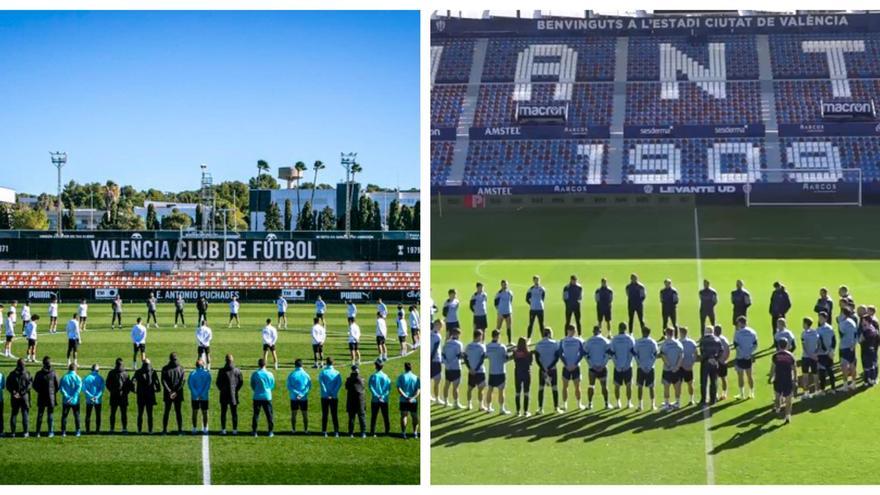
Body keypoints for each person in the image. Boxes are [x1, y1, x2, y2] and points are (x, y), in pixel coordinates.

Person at [584, 325, 612, 410]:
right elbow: (608, 355)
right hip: (602, 368)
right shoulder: (605, 341)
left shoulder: (588, 341)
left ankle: (589, 404)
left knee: (591, 385)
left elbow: (585, 355)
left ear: (593, 331)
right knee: (604, 387)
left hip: (592, 368)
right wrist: (603, 365)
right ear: (600, 331)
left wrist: (591, 365)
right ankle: (606, 404)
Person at [535, 327, 561, 414]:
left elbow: (537, 359)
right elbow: (557, 358)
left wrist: (543, 368)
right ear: (549, 334)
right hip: (552, 369)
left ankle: (540, 408)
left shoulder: (538, 344)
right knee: (554, 388)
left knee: (541, 388)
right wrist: (550, 367)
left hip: (542, 370)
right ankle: (556, 408)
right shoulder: (555, 344)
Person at [215, 354, 243, 435]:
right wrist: (236, 390)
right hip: (233, 394)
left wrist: (222, 390)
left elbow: (218, 383)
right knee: (234, 413)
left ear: (225, 360)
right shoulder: (237, 370)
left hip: (224, 394)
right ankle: (234, 430)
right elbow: (240, 382)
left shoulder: (221, 370)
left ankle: (223, 429)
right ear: (232, 360)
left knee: (223, 413)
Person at [559, 324, 585, 410]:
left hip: (568, 367)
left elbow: (560, 354)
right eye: (573, 330)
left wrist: (566, 364)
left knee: (568, 386)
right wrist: (575, 364)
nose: (574, 332)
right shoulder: (578, 341)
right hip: (574, 367)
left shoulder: (563, 341)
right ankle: (577, 404)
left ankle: (566, 404)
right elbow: (581, 354)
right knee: (575, 386)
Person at [485, 329, 511, 414]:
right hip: (500, 371)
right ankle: (501, 409)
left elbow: (487, 356)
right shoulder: (502, 347)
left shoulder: (488, 346)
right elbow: (505, 358)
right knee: (501, 391)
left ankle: (489, 408)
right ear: (498, 336)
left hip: (492, 371)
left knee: (490, 390)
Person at [610, 322, 635, 408]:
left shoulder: (614, 339)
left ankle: (618, 403)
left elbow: (612, 354)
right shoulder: (630, 339)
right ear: (626, 328)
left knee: (617, 386)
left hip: (617, 366)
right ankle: (628, 403)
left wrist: (616, 364)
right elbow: (632, 354)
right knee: (629, 385)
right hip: (628, 367)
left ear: (619, 328)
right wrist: (627, 365)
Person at [733, 316, 759, 399]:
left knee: (740, 376)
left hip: (740, 357)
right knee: (749, 375)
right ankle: (752, 393)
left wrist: (742, 352)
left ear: (740, 323)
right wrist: (749, 352)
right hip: (748, 357)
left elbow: (736, 345)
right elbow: (755, 345)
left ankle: (742, 394)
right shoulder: (752, 332)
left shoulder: (737, 333)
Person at [772, 339, 797, 424]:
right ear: (787, 345)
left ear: (778, 346)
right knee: (788, 399)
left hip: (778, 379)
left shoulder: (775, 355)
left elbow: (773, 368)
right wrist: (795, 379)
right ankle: (787, 416)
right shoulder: (791, 356)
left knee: (777, 396)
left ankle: (778, 409)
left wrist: (771, 377)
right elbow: (794, 368)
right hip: (788, 379)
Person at [33, 356, 59, 437]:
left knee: (40, 414)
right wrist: (53, 392)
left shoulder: (39, 373)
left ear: (43, 364)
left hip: (41, 396)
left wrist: (40, 391)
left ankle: (38, 432)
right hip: (51, 397)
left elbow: (34, 385)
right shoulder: (53, 373)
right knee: (50, 415)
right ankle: (50, 432)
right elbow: (57, 385)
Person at [634, 327, 659, 411]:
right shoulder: (652, 342)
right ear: (649, 333)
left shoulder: (638, 342)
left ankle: (640, 406)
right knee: (651, 387)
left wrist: (639, 364)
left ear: (642, 332)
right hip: (650, 368)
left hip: (640, 368)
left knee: (640, 387)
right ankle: (652, 405)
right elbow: (655, 355)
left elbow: (635, 354)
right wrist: (650, 365)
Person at [697, 326, 723, 406]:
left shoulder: (703, 340)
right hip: (714, 363)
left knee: (704, 382)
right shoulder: (718, 340)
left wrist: (707, 358)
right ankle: (713, 399)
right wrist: (715, 359)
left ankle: (703, 399)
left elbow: (703, 352)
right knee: (714, 381)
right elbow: (721, 351)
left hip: (705, 363)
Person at [6, 359, 32, 437]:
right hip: (24, 397)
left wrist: (14, 392)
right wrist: (22, 393)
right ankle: (25, 432)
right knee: (25, 414)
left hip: (15, 397)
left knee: (14, 414)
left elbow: (8, 385)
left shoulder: (12, 374)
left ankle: (13, 433)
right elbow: (29, 385)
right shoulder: (27, 374)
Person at [161, 352, 186, 434]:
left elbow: (163, 382)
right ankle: (180, 430)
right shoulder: (181, 368)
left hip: (168, 394)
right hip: (178, 394)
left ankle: (164, 430)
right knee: (178, 412)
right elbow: (182, 382)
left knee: (166, 412)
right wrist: (175, 392)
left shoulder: (165, 368)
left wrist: (170, 391)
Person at [106, 358, 133, 433]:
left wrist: (111, 391)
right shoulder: (126, 374)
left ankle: (112, 429)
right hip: (123, 396)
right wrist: (126, 393)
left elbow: (107, 384)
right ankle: (124, 429)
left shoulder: (111, 373)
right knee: (124, 414)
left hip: (114, 395)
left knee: (113, 413)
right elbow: (129, 386)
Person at [659, 328, 684, 410]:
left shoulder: (664, 344)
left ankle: (666, 404)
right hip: (676, 370)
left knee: (666, 386)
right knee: (677, 386)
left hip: (667, 370)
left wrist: (669, 366)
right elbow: (681, 356)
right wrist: (676, 367)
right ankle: (677, 403)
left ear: (666, 333)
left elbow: (663, 356)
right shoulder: (678, 343)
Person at [134, 358, 160, 434]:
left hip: (141, 395)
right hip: (150, 395)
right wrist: (157, 389)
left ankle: (139, 430)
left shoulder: (138, 371)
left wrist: (134, 390)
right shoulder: (152, 372)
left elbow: (133, 381)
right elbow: (157, 382)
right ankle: (150, 430)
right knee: (150, 414)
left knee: (140, 414)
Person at [250, 358, 276, 437]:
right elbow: (272, 385)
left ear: (258, 364)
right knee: (269, 415)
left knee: (256, 414)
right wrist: (267, 390)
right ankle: (270, 432)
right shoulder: (270, 374)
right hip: (267, 396)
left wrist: (257, 390)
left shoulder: (255, 374)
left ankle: (254, 432)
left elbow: (252, 385)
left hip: (257, 396)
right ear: (265, 364)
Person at [464, 329, 487, 411]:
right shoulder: (482, 346)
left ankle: (469, 405)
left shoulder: (468, 346)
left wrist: (470, 368)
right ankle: (481, 406)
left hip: (471, 371)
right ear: (479, 336)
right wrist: (476, 369)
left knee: (470, 388)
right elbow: (482, 359)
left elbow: (465, 358)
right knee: (481, 389)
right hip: (480, 371)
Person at [318, 356, 341, 437]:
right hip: (334, 396)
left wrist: (326, 393)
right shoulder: (337, 373)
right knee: (334, 414)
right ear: (333, 363)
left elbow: (322, 384)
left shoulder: (323, 372)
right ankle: (336, 431)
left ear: (326, 362)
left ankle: (324, 431)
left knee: (325, 414)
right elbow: (339, 384)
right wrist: (333, 393)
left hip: (324, 396)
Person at [441, 328, 464, 408]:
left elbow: (443, 355)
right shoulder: (459, 344)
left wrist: (447, 363)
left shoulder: (446, 343)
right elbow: (459, 356)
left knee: (446, 385)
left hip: (448, 368)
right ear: (457, 334)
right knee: (455, 387)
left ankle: (445, 402)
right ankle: (456, 403)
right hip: (456, 368)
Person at [287, 359, 311, 434]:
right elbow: (308, 387)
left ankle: (293, 430)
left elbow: (289, 386)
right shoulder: (306, 374)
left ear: (295, 365)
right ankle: (306, 430)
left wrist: (297, 393)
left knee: (294, 414)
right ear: (302, 365)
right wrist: (301, 394)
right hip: (303, 398)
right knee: (305, 414)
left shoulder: (291, 374)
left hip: (294, 397)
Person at [397, 362, 420, 439]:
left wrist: (406, 397)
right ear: (411, 368)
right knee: (414, 416)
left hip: (404, 400)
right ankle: (415, 433)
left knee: (404, 416)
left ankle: (403, 433)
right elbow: (418, 390)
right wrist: (413, 398)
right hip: (413, 401)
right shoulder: (416, 377)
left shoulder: (401, 377)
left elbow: (399, 389)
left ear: (405, 368)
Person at [368, 359, 391, 436]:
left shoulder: (373, 376)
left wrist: (376, 395)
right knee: (385, 416)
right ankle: (387, 431)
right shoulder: (386, 376)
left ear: (375, 366)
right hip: (384, 400)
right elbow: (388, 388)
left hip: (375, 400)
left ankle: (372, 431)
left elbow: (370, 386)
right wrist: (383, 396)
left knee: (374, 416)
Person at [188, 358, 211, 434]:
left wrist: (196, 394)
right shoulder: (207, 373)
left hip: (195, 397)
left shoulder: (192, 374)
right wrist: (202, 394)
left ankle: (194, 428)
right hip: (204, 397)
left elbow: (190, 385)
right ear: (203, 365)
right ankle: (205, 428)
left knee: (194, 412)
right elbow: (207, 386)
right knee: (205, 412)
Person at [838, 306, 859, 390]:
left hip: (845, 346)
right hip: (851, 346)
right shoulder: (852, 321)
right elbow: (855, 334)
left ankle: (845, 385)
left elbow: (843, 335)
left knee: (844, 365)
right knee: (852, 364)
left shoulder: (844, 323)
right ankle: (853, 383)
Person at [816, 311, 837, 394]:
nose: (820, 319)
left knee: (823, 372)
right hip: (828, 353)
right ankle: (833, 388)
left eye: (821, 318)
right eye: (819, 318)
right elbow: (834, 341)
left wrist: (827, 351)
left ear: (825, 318)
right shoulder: (830, 328)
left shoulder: (819, 330)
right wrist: (831, 350)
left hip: (823, 353)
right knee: (830, 371)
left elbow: (820, 342)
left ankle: (823, 390)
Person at [59, 363, 82, 437]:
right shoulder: (78, 377)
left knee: (64, 416)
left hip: (66, 400)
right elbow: (78, 389)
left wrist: (67, 396)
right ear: (75, 369)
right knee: (77, 415)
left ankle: (63, 431)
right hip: (75, 400)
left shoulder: (64, 377)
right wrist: (73, 397)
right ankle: (78, 431)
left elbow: (61, 388)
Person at [512, 337, 533, 416]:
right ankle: (526, 411)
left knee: (517, 392)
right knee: (526, 393)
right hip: (526, 373)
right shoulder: (529, 353)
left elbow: (515, 360)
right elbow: (531, 363)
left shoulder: (515, 352)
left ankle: (517, 411)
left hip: (517, 373)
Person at [344, 364, 367, 438]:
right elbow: (363, 386)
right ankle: (363, 432)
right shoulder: (362, 378)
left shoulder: (349, 379)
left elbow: (346, 387)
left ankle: (351, 432)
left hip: (351, 399)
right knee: (361, 416)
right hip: (360, 400)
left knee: (351, 417)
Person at [678, 327, 698, 405]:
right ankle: (691, 399)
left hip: (680, 367)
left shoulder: (678, 342)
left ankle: (678, 401)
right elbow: (696, 354)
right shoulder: (692, 342)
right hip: (689, 366)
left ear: (682, 333)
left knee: (678, 384)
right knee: (690, 383)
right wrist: (692, 363)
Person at [82, 363, 104, 433]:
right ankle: (97, 430)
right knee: (98, 415)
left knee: (88, 415)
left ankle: (87, 430)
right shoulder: (100, 378)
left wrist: (91, 396)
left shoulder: (86, 378)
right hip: (98, 400)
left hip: (89, 399)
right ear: (98, 370)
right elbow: (102, 389)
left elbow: (84, 389)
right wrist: (96, 397)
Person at [526, 275, 546, 341]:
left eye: (538, 279)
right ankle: (529, 338)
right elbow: (527, 299)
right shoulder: (530, 289)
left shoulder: (542, 289)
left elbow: (543, 297)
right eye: (536, 280)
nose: (537, 281)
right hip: (533, 309)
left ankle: (543, 338)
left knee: (541, 324)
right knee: (531, 324)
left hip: (540, 309)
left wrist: (539, 303)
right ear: (533, 280)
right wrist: (532, 304)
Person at [714, 325, 731, 400]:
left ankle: (716, 394)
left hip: (716, 361)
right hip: (722, 362)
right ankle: (724, 394)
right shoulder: (724, 339)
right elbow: (728, 351)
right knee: (723, 378)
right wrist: (725, 359)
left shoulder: (714, 339)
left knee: (715, 378)